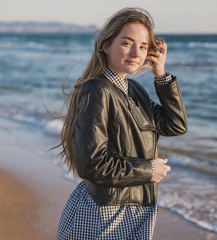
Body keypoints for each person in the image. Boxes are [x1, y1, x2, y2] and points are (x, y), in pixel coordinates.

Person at [56, 7, 187, 240]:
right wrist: (149, 170)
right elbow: (93, 165)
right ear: (105, 45)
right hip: (107, 212)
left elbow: (175, 125)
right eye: (127, 43)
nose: (137, 53)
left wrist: (161, 76)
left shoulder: (134, 89)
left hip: (135, 207)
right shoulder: (96, 90)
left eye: (144, 46)